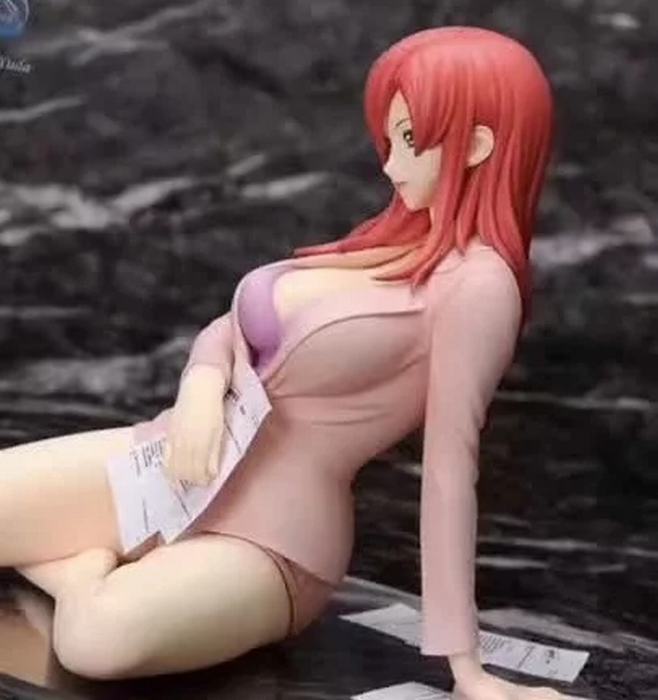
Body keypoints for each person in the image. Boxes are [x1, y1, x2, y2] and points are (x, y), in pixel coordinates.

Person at [0, 26, 565, 699]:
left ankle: (81, 566)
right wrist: (202, 386)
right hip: (173, 464)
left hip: (275, 538)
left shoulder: (479, 286)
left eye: (411, 140)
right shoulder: (391, 241)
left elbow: (449, 470)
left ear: (477, 145)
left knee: (95, 638)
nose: (391, 166)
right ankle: (113, 552)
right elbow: (232, 327)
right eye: (389, 140)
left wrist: (465, 668)